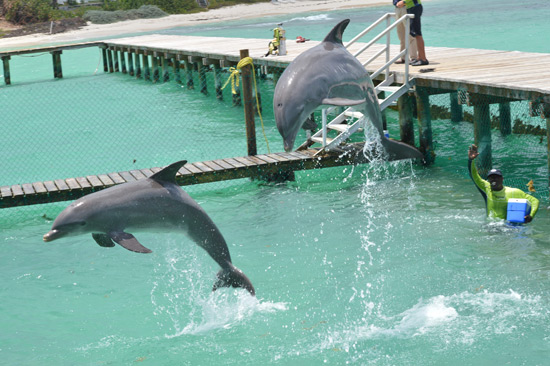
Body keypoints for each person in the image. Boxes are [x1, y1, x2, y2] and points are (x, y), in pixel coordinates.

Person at [468, 144, 539, 222]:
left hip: (508, 226)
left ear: (502, 179)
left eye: (496, 177)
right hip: (491, 225)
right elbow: (474, 175)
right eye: (491, 178)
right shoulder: (486, 188)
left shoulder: (513, 192)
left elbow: (535, 201)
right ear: (488, 180)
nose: (493, 180)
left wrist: (531, 216)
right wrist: (471, 160)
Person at [395, 0, 428, 66]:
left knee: (417, 34)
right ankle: (420, 58)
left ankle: (423, 59)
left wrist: (404, 1)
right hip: (411, 8)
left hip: (415, 7)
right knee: (416, 34)